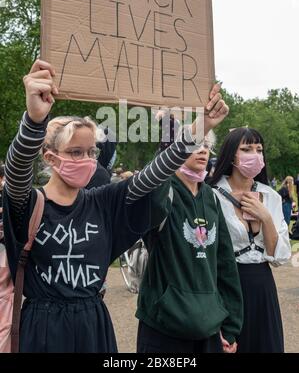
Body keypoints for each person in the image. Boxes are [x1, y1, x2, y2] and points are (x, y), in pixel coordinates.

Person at [2, 59, 227, 353]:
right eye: (75, 152)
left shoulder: (103, 201)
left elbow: (155, 172)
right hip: (43, 327)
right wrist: (33, 120)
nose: (86, 159)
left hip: (93, 323)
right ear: (50, 158)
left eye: (91, 151)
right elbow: (18, 170)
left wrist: (201, 126)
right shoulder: (30, 204)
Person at [136, 132, 243, 353]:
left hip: (208, 326)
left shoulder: (212, 198)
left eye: (205, 144)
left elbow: (225, 264)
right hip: (163, 324)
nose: (202, 149)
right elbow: (149, 190)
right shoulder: (163, 192)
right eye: (193, 143)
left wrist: (230, 326)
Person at [209, 127, 291, 353]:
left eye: (259, 149)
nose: (254, 155)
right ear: (231, 155)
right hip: (226, 284)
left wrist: (265, 217)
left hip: (263, 286)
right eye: (246, 149)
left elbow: (278, 257)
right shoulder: (212, 195)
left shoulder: (271, 196)